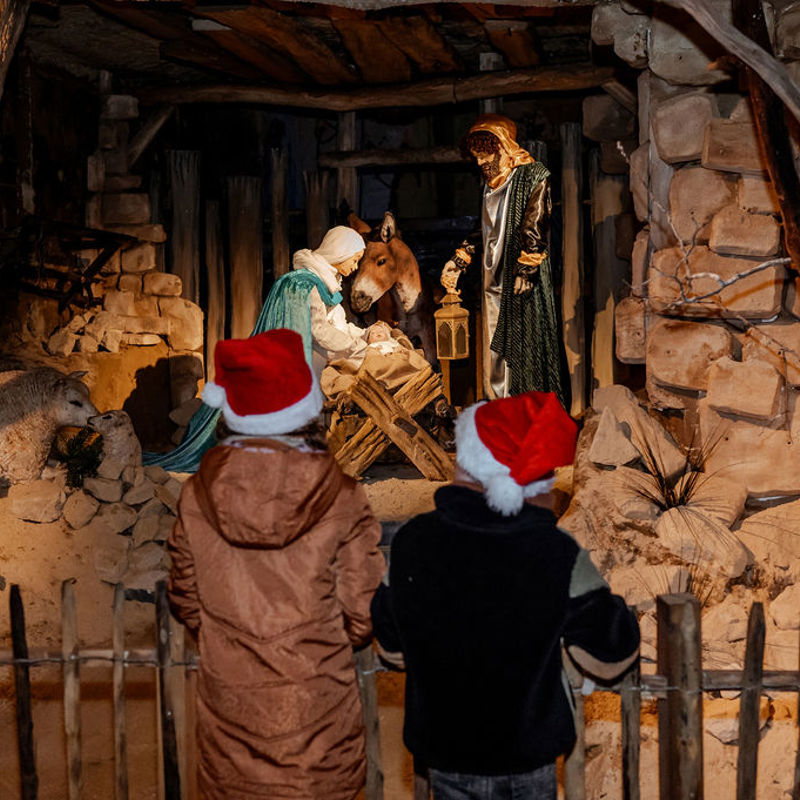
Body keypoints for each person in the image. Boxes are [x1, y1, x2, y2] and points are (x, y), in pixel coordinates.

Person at [371, 391, 639, 799]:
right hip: (528, 758)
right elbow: (611, 653)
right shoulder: (557, 553)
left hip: (447, 754)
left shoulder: (412, 543)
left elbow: (391, 647)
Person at [167, 328, 385, 800]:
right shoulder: (343, 498)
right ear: (304, 407)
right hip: (319, 725)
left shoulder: (194, 497)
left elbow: (185, 599)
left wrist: (233, 640)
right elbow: (362, 613)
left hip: (232, 722)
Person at [446, 114, 566, 404]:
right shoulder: (488, 186)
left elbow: (535, 223)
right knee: (494, 349)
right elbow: (485, 228)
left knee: (526, 344)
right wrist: (460, 258)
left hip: (520, 278)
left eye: (485, 154)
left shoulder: (533, 175)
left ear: (503, 145)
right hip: (492, 282)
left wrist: (526, 269)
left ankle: (530, 409)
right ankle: (501, 407)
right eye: (476, 156)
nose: (480, 162)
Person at [261, 225, 372, 374]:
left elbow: (337, 324)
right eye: (354, 260)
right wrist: (355, 347)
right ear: (341, 252)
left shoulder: (327, 281)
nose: (355, 267)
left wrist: (365, 335)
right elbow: (318, 330)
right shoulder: (304, 284)